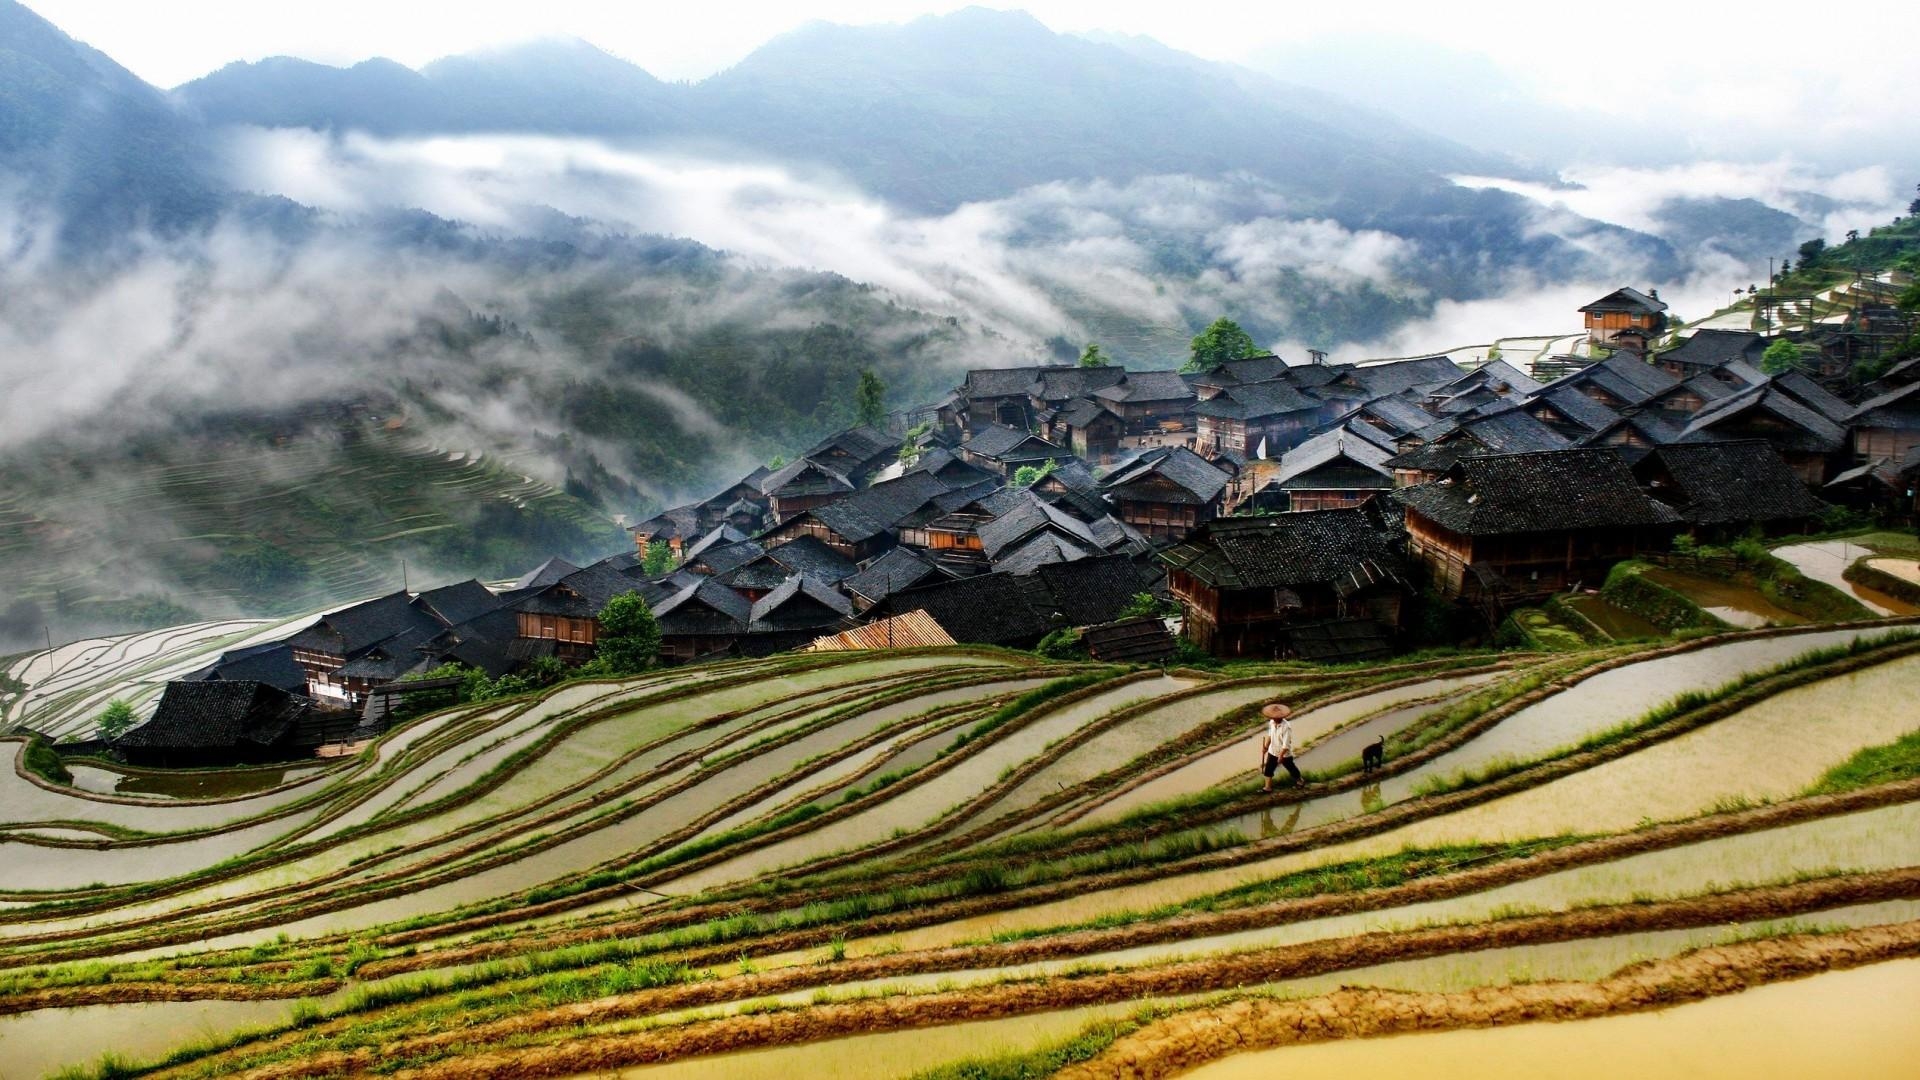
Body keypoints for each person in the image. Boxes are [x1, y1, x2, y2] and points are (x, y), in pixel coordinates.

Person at [1258, 701, 1303, 791]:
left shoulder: (1286, 727)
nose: (1275, 719)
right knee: (1268, 769)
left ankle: (1300, 781)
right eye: (1274, 717)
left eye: (1277, 718)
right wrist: (1266, 747)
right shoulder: (1271, 723)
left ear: (1281, 717)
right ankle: (1267, 787)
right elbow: (1270, 736)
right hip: (1272, 751)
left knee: (1291, 768)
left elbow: (1286, 744)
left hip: (1284, 753)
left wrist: (1281, 756)